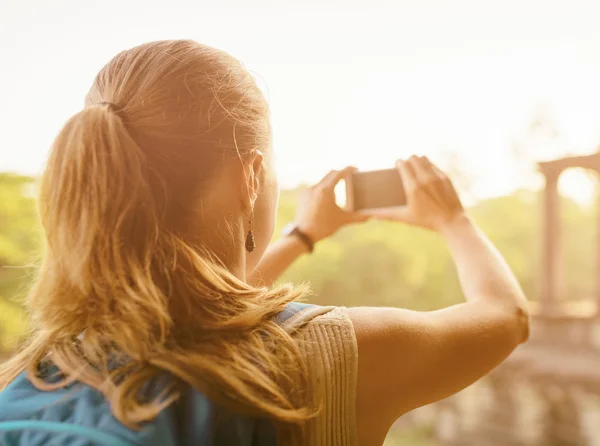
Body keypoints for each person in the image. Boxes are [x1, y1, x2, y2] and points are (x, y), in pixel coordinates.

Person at [0, 40, 529, 446]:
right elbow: (506, 316)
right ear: (251, 176)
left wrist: (303, 236)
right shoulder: (324, 358)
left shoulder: (35, 372)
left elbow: (198, 315)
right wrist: (453, 220)